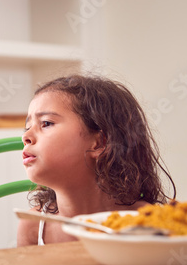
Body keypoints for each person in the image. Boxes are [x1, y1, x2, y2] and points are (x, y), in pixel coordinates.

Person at [17, 74, 176, 246]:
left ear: (99, 143)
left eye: (46, 123)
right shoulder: (34, 226)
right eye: (27, 127)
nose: (26, 136)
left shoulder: (146, 221)